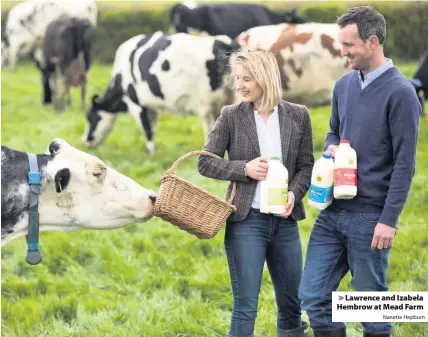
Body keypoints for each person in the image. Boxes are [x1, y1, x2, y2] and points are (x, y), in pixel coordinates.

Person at [298, 6, 421, 337]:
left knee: (372, 310)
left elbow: (405, 166)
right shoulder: (343, 86)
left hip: (370, 217)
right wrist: (332, 149)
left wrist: (388, 220)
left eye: (348, 45)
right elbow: (333, 133)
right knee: (313, 297)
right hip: (332, 211)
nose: (342, 52)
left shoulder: (402, 93)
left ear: (372, 41)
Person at [197, 49, 314, 337]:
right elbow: (205, 161)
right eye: (237, 78)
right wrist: (243, 169)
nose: (240, 85)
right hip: (246, 222)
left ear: (265, 78)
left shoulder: (298, 115)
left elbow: (306, 166)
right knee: (246, 306)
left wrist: (294, 195)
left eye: (247, 78)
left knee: (292, 305)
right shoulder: (231, 116)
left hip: (285, 223)